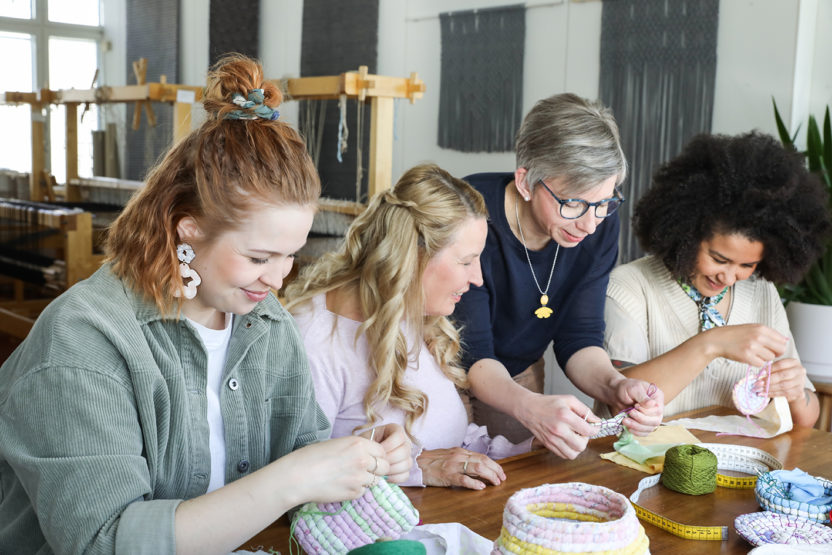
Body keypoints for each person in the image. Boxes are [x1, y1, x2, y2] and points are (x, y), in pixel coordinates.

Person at [0, 54, 411, 555]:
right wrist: (290, 480)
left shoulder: (263, 320)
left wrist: (357, 459)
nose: (280, 278)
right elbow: (101, 543)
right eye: (259, 256)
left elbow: (297, 448)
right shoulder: (83, 342)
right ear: (186, 228)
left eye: (291, 255)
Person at [285, 164, 538, 491]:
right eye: (465, 261)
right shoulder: (315, 340)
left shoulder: (410, 314)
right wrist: (416, 468)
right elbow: (296, 477)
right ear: (413, 256)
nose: (477, 278)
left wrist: (527, 449)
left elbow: (449, 442)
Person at [452, 93, 664, 460]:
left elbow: (579, 336)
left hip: (517, 373)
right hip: (439, 370)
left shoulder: (597, 223)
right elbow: (472, 353)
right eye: (572, 203)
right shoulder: (470, 215)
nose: (589, 223)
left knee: (514, 480)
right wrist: (530, 406)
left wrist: (615, 386)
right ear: (525, 182)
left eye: (604, 203)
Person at [602, 132, 828, 427]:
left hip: (734, 464)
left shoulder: (761, 292)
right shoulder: (629, 287)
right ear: (687, 235)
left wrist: (796, 392)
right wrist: (710, 344)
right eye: (719, 259)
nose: (730, 275)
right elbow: (622, 406)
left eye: (747, 264)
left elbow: (807, 420)